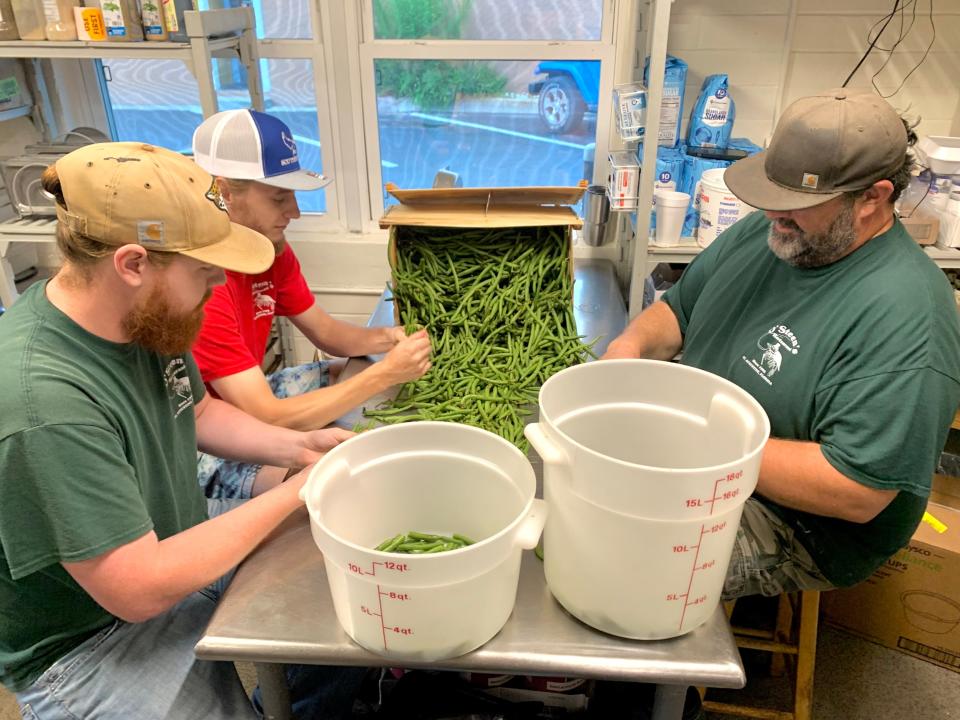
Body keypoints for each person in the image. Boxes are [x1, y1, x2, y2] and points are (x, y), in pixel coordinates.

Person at [0, 142, 365, 719]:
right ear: (133, 263)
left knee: (338, 571)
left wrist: (299, 446)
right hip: (90, 641)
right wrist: (299, 489)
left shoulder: (142, 315)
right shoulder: (42, 401)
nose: (219, 283)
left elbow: (194, 412)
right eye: (203, 269)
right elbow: (136, 586)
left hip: (172, 536)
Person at [603, 88, 960, 600]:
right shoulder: (780, 230)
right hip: (709, 451)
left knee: (624, 559)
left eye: (798, 203)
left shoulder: (907, 316)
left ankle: (634, 680)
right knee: (582, 492)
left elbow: (856, 490)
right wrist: (630, 348)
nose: (775, 214)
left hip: (802, 524)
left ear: (873, 198)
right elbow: (678, 311)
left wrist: (699, 446)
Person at [189, 108, 432, 499]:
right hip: (199, 444)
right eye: (279, 197)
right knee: (321, 485)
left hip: (245, 399)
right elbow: (263, 415)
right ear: (224, 193)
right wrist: (385, 375)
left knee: (343, 372)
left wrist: (389, 337)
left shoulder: (270, 250)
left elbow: (326, 333)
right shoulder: (201, 281)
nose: (295, 213)